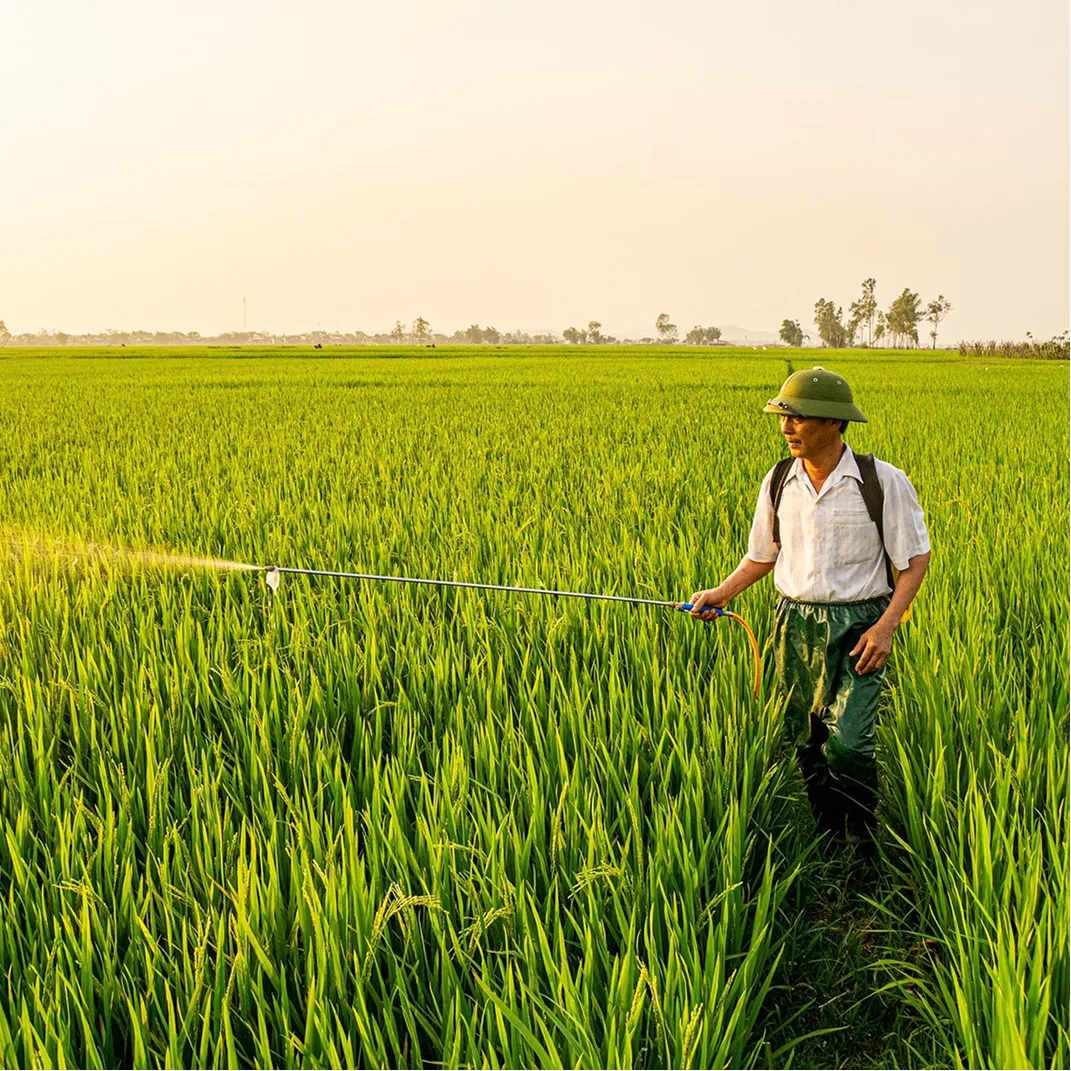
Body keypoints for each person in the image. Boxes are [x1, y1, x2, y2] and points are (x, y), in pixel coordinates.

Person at [689, 367, 931, 853]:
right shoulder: (779, 481)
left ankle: (861, 837)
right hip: (793, 624)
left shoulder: (880, 481)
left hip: (862, 625)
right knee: (806, 739)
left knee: (851, 746)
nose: (786, 428)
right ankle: (827, 836)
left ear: (836, 423)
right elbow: (764, 555)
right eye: (783, 417)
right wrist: (723, 592)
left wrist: (887, 627)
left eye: (798, 417)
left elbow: (916, 559)